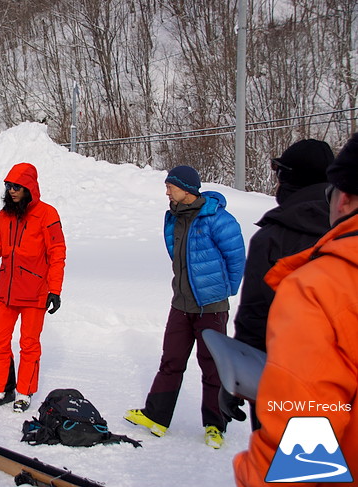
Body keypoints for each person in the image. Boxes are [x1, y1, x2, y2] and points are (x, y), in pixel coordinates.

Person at [233, 134, 358, 486]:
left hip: (283, 389)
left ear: (344, 197)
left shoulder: (316, 280)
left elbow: (303, 437)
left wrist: (239, 379)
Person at [124, 165, 245, 449]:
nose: (166, 191)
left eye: (170, 186)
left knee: (212, 366)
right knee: (171, 361)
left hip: (210, 307)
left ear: (187, 189)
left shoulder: (218, 219)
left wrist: (224, 291)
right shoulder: (174, 218)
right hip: (181, 304)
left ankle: (215, 426)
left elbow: (236, 259)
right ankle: (156, 417)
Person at [224, 139, 333, 430]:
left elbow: (255, 317)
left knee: (287, 468)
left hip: (285, 380)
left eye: (279, 172)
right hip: (341, 384)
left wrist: (238, 375)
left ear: (289, 178)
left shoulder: (274, 237)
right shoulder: (348, 228)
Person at [0, 162, 66, 413]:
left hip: (35, 291)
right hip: (7, 290)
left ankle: (24, 392)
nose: (12, 191)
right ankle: (3, 388)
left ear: (29, 187)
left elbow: (57, 253)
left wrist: (54, 290)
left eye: (17, 186)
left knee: (29, 344)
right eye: (8, 186)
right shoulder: (4, 215)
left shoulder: (48, 214)